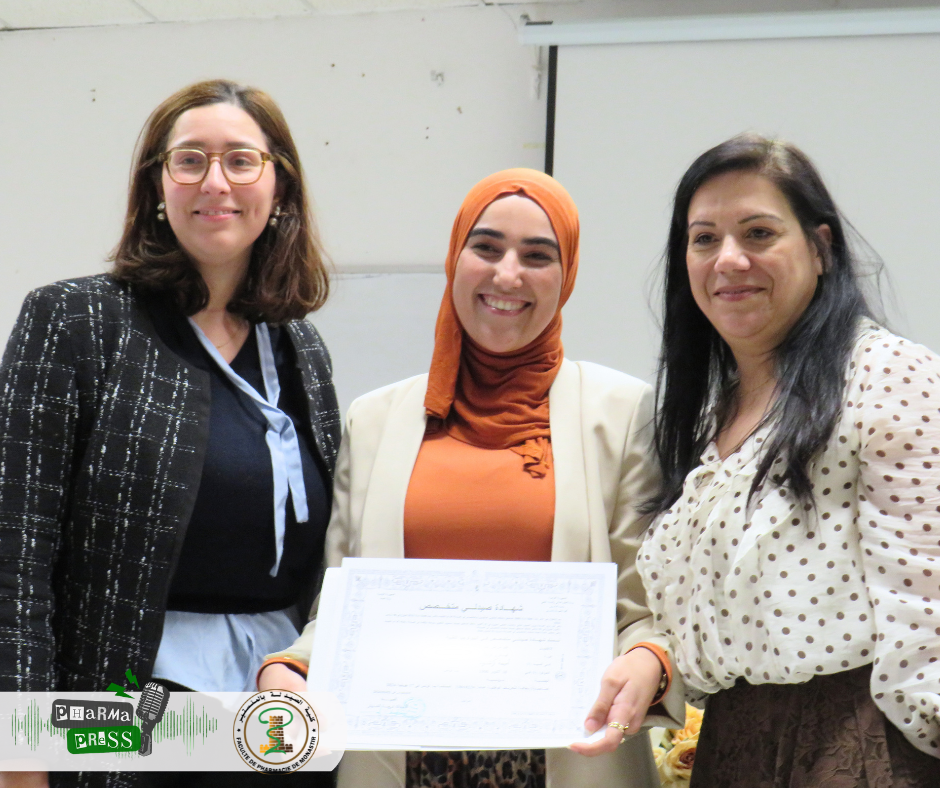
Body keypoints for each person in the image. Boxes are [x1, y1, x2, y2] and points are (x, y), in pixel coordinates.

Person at [257, 168, 684, 788]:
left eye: (537, 256)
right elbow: (347, 609)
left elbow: (643, 609)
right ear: (455, 258)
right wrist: (293, 667)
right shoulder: (374, 421)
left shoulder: (623, 415)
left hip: (567, 763)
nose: (507, 275)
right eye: (486, 247)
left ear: (567, 275)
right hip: (399, 764)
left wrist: (649, 658)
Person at [0, 79, 340, 786]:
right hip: (125, 711)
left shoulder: (299, 347)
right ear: (157, 185)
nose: (215, 182)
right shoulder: (77, 322)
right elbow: (16, 551)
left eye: (241, 160)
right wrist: (19, 750)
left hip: (275, 717)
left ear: (279, 188)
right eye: (190, 160)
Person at [578, 134, 940, 785]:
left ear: (821, 249)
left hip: (863, 752)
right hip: (731, 749)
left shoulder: (887, 375)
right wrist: (654, 657)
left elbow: (929, 617)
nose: (729, 259)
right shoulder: (711, 417)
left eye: (759, 233)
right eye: (704, 239)